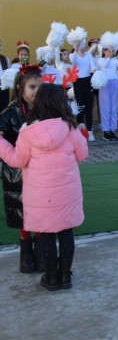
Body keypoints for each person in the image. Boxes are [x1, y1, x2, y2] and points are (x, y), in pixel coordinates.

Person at [0, 83, 88, 291]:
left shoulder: (27, 132)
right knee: (66, 233)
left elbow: (17, 159)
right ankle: (65, 276)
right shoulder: (70, 128)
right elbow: (82, 155)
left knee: (47, 234)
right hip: (67, 194)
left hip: (41, 198)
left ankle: (51, 277)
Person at [0, 64, 43, 274]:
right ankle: (26, 250)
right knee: (23, 211)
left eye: (39, 87)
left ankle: (41, 247)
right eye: (32, 87)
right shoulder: (8, 113)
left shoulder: (45, 110)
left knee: (42, 209)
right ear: (20, 88)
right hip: (16, 171)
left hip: (40, 171)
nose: (36, 91)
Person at [97, 45, 118, 141]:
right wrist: (108, 57)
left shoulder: (115, 60)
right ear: (104, 51)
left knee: (113, 108)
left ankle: (113, 131)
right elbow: (104, 65)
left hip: (114, 83)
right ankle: (106, 131)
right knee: (105, 108)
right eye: (108, 50)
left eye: (112, 51)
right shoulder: (101, 60)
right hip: (105, 84)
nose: (110, 52)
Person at [0, 39, 13, 111]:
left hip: (4, 89)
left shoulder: (5, 59)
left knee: (4, 109)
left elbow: (8, 73)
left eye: (0, 45)